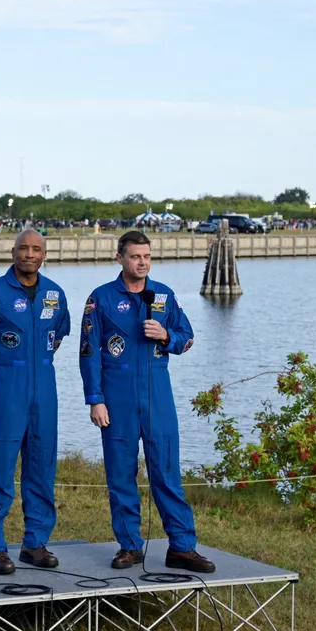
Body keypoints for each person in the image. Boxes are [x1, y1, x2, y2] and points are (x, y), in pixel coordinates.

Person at [79, 230, 215, 573]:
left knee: (167, 472)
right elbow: (89, 352)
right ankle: (129, 546)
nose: (142, 262)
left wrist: (166, 335)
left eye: (147, 256)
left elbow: (187, 339)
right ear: (120, 258)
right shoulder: (101, 298)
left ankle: (182, 546)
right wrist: (95, 399)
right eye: (135, 256)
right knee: (122, 475)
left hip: (157, 396)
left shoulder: (164, 297)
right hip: (117, 398)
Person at [0, 229, 70, 574]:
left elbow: (58, 335)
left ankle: (35, 542)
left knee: (42, 467)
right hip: (7, 388)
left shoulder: (55, 293)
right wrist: (1, 365)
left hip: (45, 389)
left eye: (36, 249)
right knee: (0, 467)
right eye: (23, 248)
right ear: (13, 252)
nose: (29, 254)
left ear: (44, 254)